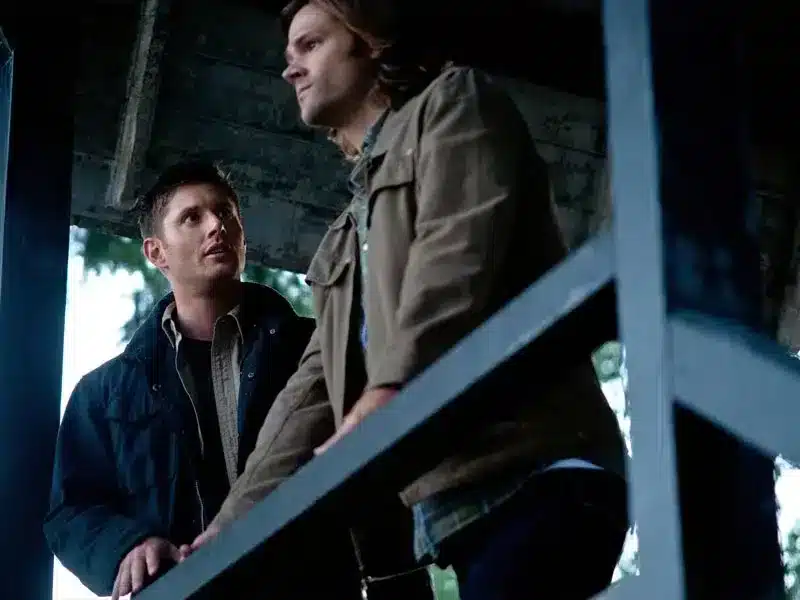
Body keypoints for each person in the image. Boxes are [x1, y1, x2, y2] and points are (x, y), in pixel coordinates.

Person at [195, 2, 630, 599]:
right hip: (461, 515)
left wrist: (388, 391)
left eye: (310, 44)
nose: (290, 68)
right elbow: (310, 394)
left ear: (369, 38)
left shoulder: (454, 104)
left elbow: (456, 259)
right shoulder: (344, 238)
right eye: (289, 54)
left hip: (544, 469)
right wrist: (224, 531)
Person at [43, 160, 362, 599]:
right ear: (156, 253)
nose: (217, 226)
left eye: (226, 212)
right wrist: (128, 546)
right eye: (192, 217)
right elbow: (70, 510)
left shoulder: (310, 348)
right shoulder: (104, 393)